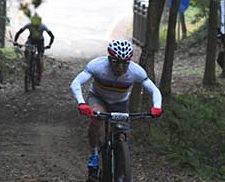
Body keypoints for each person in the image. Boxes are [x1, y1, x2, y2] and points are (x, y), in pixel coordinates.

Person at [70, 39, 163, 172]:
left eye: (125, 63)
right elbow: (76, 83)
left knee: (121, 135)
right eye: (116, 62)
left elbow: (154, 90)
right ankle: (95, 154)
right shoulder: (97, 65)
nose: (120, 67)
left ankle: (120, 173)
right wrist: (82, 104)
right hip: (98, 98)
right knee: (97, 119)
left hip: (120, 103)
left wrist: (157, 106)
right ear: (109, 59)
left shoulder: (136, 71)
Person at [13, 14, 54, 85]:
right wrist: (15, 41)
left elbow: (52, 36)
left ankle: (38, 77)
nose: (35, 26)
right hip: (31, 40)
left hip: (40, 42)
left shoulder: (43, 26)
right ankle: (28, 62)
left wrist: (49, 45)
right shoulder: (29, 25)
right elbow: (19, 32)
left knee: (40, 58)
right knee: (27, 51)